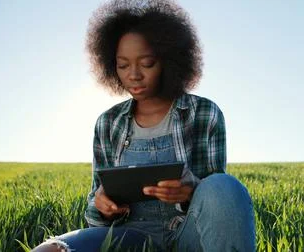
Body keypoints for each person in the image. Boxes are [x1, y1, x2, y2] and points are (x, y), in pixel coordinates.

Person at [32, 0, 255, 251]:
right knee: (50, 250)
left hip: (189, 234)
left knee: (224, 186)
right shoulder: (108, 123)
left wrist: (191, 188)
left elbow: (220, 204)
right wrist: (102, 205)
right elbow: (93, 211)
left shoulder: (203, 113)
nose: (133, 75)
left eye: (146, 63)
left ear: (168, 61)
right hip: (130, 236)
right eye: (123, 65)